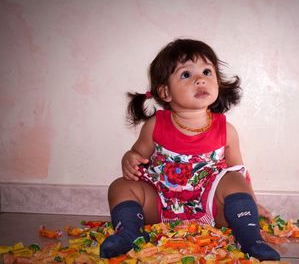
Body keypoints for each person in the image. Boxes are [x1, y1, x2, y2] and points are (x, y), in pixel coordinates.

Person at [100, 39, 280, 261]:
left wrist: (250, 203)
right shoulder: (155, 125)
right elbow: (137, 156)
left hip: (210, 208)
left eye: (207, 72)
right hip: (160, 204)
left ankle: (250, 237)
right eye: (186, 75)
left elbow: (240, 175)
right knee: (120, 186)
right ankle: (129, 232)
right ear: (165, 92)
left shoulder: (226, 130)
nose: (200, 79)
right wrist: (129, 159)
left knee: (233, 178)